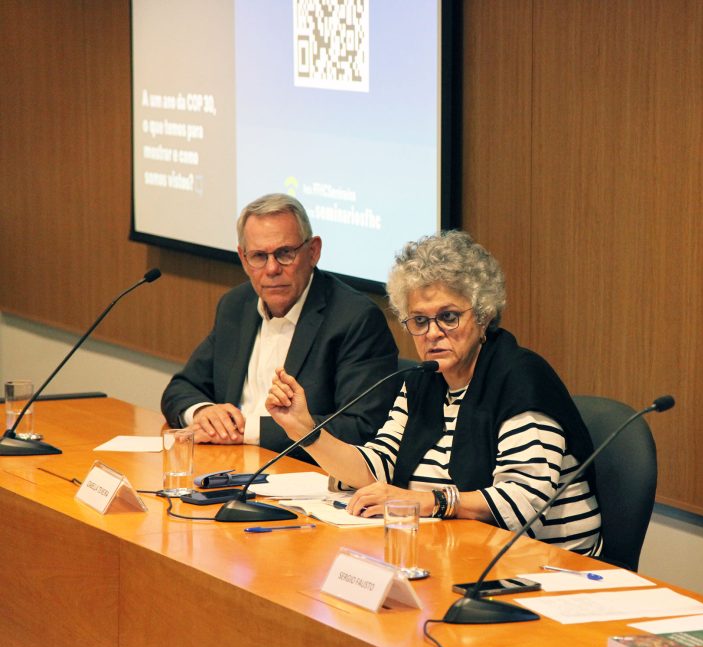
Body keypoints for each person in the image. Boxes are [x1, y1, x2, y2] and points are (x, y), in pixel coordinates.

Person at [266, 231, 602, 554]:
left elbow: (522, 501)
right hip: (458, 549)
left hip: (547, 567)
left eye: (449, 317)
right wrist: (304, 431)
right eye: (420, 321)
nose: (434, 333)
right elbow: (377, 468)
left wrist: (429, 501)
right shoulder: (423, 380)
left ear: (483, 315)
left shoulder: (520, 379)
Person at [160, 193, 398, 458]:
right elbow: (180, 388)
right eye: (259, 256)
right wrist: (204, 413)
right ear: (243, 258)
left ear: (313, 252)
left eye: (285, 253)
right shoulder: (236, 305)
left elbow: (361, 427)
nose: (272, 269)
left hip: (302, 476)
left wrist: (247, 431)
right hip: (226, 464)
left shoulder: (354, 319)